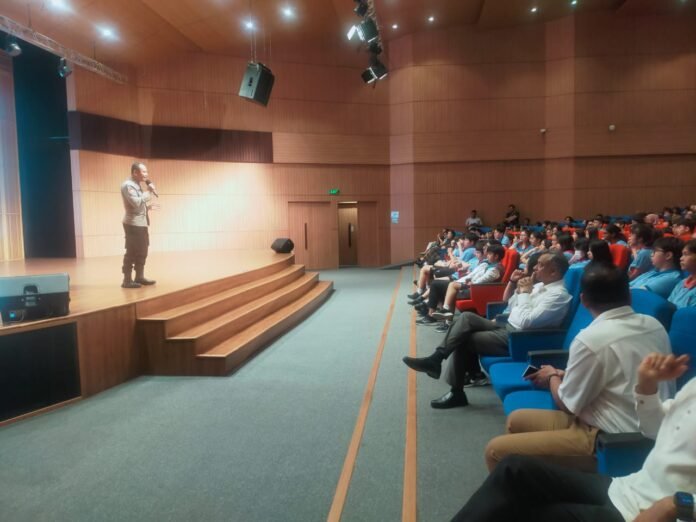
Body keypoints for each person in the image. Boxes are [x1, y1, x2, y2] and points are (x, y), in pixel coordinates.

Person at [450, 352, 693, 522]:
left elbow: (568, 403)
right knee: (513, 468)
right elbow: (654, 430)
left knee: (517, 514)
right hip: (627, 487)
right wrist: (647, 387)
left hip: (648, 510)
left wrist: (676, 506)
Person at [484, 265, 673, 472]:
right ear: (628, 296)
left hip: (611, 438)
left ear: (583, 300)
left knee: (495, 450)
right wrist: (564, 374)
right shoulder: (654, 324)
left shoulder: (590, 340)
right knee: (516, 420)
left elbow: (567, 404)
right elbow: (621, 373)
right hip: (628, 421)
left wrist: (551, 376)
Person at [403, 253, 572, 408]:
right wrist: (515, 285)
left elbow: (526, 322)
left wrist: (525, 294)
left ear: (553, 272)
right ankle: (436, 359)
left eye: (540, 265)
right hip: (506, 324)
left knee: (463, 339)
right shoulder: (539, 286)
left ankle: (455, 390)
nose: (535, 267)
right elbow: (510, 304)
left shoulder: (558, 296)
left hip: (518, 337)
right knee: (466, 317)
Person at [121, 162, 157, 288]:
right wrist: (149, 191)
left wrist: (147, 208)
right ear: (135, 172)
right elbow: (136, 203)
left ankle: (139, 277)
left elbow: (139, 204)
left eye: (147, 171)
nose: (146, 174)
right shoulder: (128, 185)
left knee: (143, 250)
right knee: (132, 251)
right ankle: (127, 280)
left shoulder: (136, 185)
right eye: (144, 172)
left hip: (141, 223)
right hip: (133, 224)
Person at [668, 239, 696, 309]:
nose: (681, 258)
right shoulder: (682, 283)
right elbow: (668, 307)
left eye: (686, 254)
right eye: (682, 255)